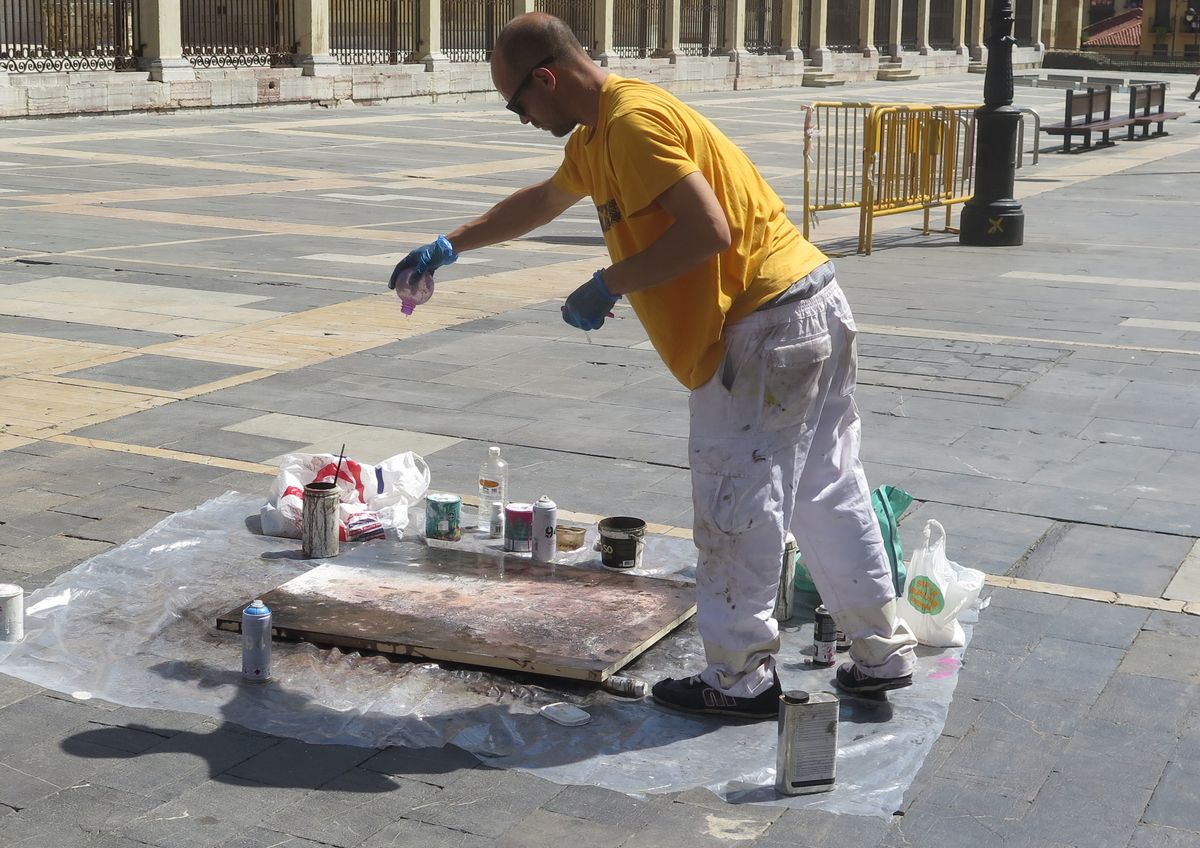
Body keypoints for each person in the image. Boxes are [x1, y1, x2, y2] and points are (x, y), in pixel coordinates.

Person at [391, 13, 917, 720]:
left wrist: (611, 281)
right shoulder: (599, 132)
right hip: (810, 300)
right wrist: (449, 245)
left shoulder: (633, 125)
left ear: (545, 78)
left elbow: (708, 231)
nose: (521, 119)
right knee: (828, 488)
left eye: (518, 104)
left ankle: (739, 680)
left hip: (761, 329)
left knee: (738, 504)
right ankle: (881, 655)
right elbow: (543, 201)